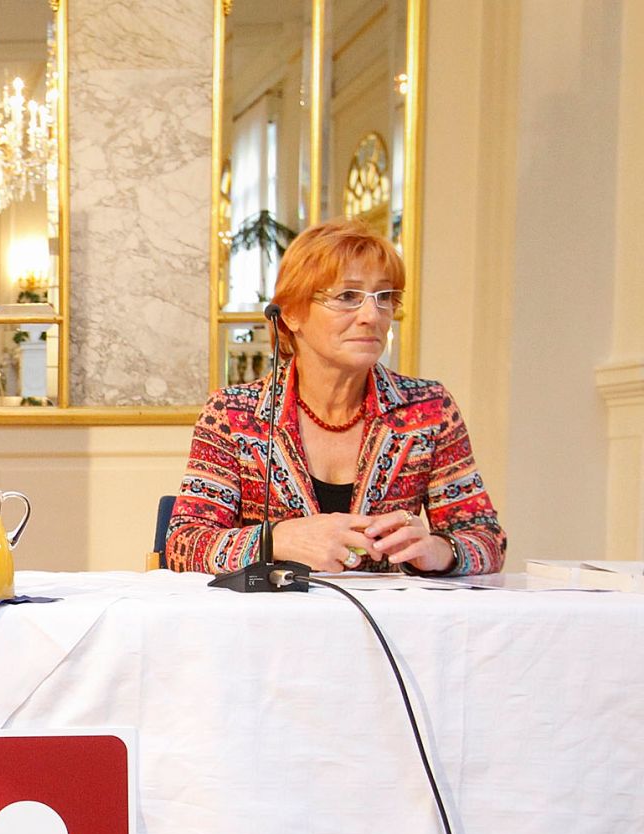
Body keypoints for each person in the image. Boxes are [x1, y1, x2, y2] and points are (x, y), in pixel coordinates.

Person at [166, 219, 505, 576]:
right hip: (269, 627)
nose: (372, 316)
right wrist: (275, 540)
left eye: (385, 297)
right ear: (292, 313)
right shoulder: (232, 414)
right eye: (347, 297)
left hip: (391, 628)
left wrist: (442, 551)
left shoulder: (429, 409)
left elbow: (487, 539)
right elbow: (184, 545)